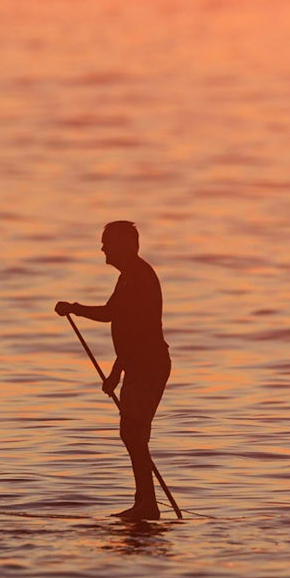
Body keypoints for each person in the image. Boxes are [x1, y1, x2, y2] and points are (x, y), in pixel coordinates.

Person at [56, 220, 170, 518]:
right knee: (132, 432)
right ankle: (144, 502)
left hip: (149, 365)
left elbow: (124, 321)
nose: (102, 248)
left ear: (126, 245)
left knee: (133, 432)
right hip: (138, 364)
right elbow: (121, 321)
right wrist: (117, 372)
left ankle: (147, 505)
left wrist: (74, 308)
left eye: (107, 242)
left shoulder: (139, 276)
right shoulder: (128, 276)